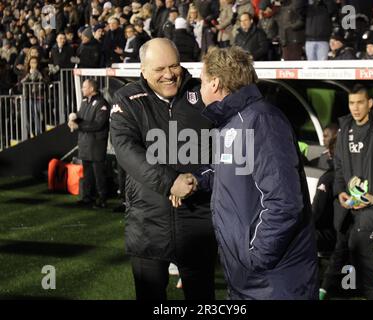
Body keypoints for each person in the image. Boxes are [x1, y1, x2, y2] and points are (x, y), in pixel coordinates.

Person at [171, 46, 319, 300]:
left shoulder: (262, 120)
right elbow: (232, 173)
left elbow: (284, 203)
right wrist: (199, 179)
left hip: (273, 283)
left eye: (203, 81)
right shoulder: (233, 122)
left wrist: (254, 257)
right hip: (250, 281)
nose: (200, 88)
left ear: (215, 83)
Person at [109, 38, 217, 300]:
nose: (169, 75)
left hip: (198, 222)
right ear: (143, 70)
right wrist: (171, 182)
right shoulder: (127, 99)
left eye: (174, 66)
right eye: (159, 69)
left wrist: (197, 181)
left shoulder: (202, 93)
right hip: (147, 223)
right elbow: (126, 150)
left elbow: (223, 148)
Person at [321, 84, 373, 300]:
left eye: (359, 103)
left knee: (359, 237)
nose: (355, 108)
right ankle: (339, 291)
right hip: (350, 208)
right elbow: (338, 168)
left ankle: (369, 294)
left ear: (370, 104)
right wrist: (340, 193)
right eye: (351, 103)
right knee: (343, 243)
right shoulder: (344, 130)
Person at [68, 79, 110, 209]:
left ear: (92, 89)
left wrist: (78, 125)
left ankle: (102, 199)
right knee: (87, 173)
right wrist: (74, 119)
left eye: (84, 87)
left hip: (96, 145)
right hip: (85, 144)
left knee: (99, 174)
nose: (82, 89)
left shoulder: (102, 104)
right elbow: (81, 119)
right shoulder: (85, 102)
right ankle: (87, 197)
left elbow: (98, 124)